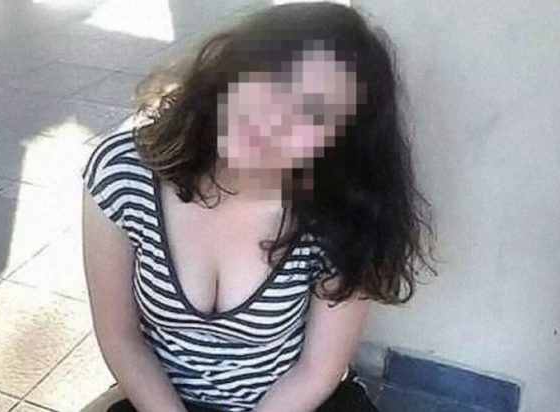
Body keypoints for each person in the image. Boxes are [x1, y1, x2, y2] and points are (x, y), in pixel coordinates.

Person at [80, 2, 438, 411]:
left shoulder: (343, 214)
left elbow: (317, 371)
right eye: (273, 80)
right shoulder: (125, 172)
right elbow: (120, 335)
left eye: (313, 112)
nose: (273, 119)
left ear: (337, 141)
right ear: (232, 69)